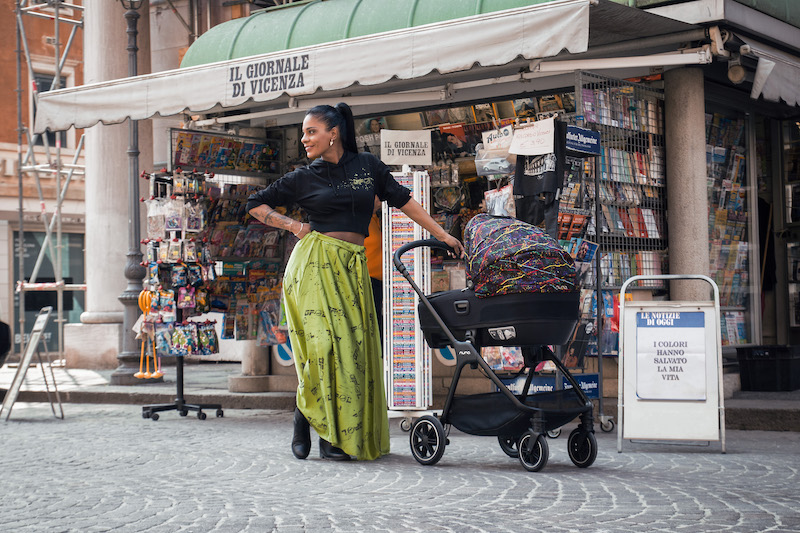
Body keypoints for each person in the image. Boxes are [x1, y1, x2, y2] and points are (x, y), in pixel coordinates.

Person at [246, 103, 464, 461]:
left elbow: (406, 202)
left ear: (333, 133)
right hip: (313, 265)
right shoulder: (304, 176)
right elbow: (255, 203)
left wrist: (443, 234)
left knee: (351, 354)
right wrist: (294, 226)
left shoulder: (368, 168)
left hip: (352, 267)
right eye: (302, 133)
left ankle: (323, 425)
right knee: (321, 349)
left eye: (311, 131)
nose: (304, 139)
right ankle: (313, 424)